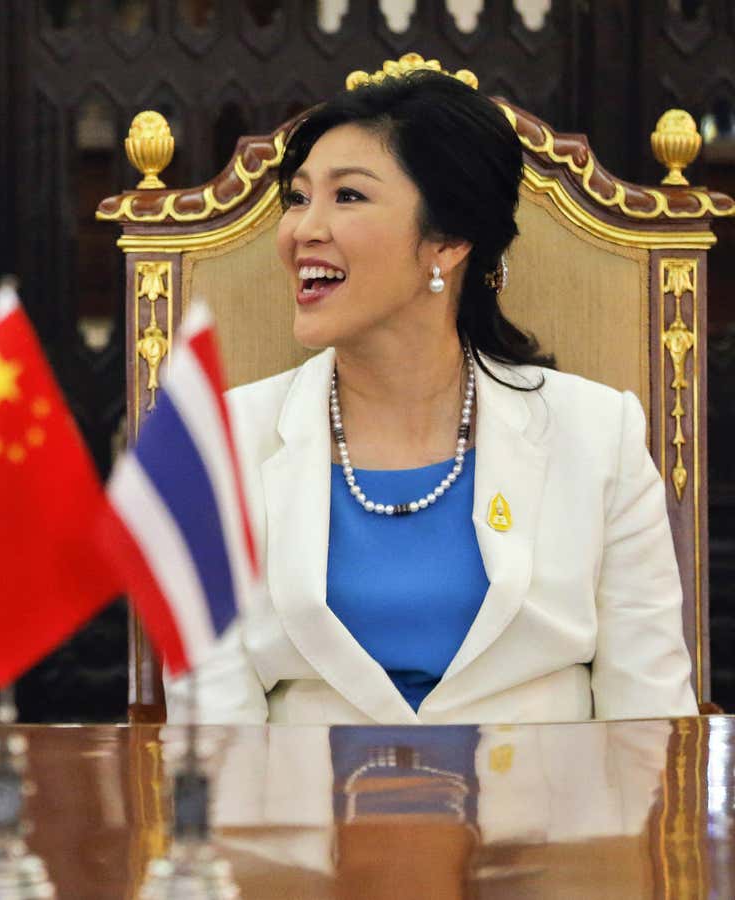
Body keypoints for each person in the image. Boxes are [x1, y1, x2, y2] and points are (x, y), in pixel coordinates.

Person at [171, 71, 695, 724]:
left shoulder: (597, 434)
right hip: (302, 817)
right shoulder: (219, 441)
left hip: (547, 820)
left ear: (446, 241)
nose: (303, 229)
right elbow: (212, 730)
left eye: (349, 196)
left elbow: (650, 720)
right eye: (299, 198)